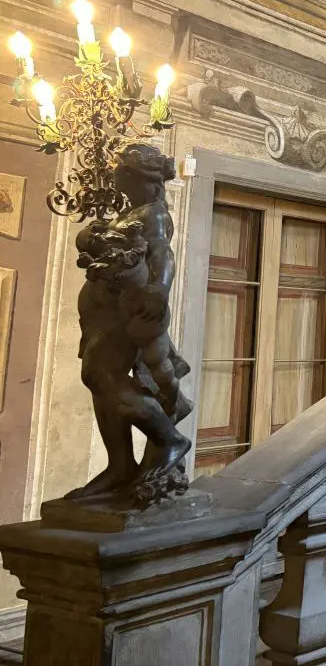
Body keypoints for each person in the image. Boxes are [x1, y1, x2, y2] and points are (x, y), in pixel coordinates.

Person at [69, 144, 193, 506]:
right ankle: (120, 464)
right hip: (103, 314)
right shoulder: (130, 213)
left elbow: (163, 254)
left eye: (122, 174)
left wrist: (160, 288)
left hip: (127, 311)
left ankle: (170, 441)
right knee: (98, 381)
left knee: (102, 377)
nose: (116, 179)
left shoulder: (154, 214)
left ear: (142, 180)